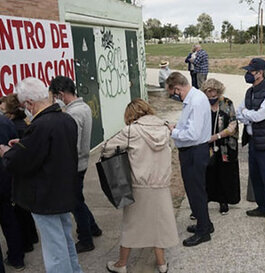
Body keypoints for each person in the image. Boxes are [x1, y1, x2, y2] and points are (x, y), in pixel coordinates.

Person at [0, 77, 82, 273]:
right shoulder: (65, 119)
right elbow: (49, 151)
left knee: (54, 250)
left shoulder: (41, 125)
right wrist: (22, 143)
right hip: (63, 191)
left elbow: (21, 161)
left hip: (45, 197)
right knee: (65, 242)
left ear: (29, 103)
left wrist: (6, 152)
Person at [104, 99, 178, 273]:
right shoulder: (165, 128)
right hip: (162, 186)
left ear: (131, 115)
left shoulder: (131, 131)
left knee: (131, 226)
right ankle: (161, 263)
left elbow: (107, 148)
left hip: (139, 186)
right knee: (158, 225)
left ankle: (121, 264)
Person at [49, 76, 102, 253]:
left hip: (74, 165)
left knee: (75, 203)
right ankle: (93, 227)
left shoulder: (73, 113)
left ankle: (86, 239)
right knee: (78, 199)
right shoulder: (83, 106)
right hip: (82, 161)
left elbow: (73, 144)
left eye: (56, 96)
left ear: (62, 94)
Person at [165, 72, 213, 247]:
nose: (174, 96)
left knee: (195, 192)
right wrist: (179, 126)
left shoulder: (196, 101)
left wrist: (173, 132)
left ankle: (203, 232)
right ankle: (205, 223)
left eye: (173, 93)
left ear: (177, 88)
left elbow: (193, 133)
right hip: (192, 150)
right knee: (196, 189)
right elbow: (191, 125)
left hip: (194, 151)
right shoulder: (193, 99)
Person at [237, 58, 265, 237]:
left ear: (260, 73)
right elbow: (240, 112)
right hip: (254, 141)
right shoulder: (251, 91)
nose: (248, 74)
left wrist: (247, 115)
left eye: (251, 71)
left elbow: (260, 116)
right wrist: (249, 115)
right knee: (256, 178)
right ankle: (262, 208)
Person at [1, 94, 39, 253]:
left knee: (14, 215)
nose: (1, 110)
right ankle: (30, 239)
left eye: (3, 108)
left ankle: (23, 247)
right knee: (19, 212)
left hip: (10, 174)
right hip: (15, 174)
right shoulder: (14, 123)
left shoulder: (14, 125)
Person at [201, 78, 241, 215]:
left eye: (215, 92)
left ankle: (223, 201)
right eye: (209, 91)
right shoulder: (201, 104)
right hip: (206, 146)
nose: (212, 95)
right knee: (206, 174)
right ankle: (203, 201)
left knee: (224, 174)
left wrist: (217, 136)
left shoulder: (227, 103)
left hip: (224, 146)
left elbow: (233, 125)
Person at [0, 113, 25, 271]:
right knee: (10, 220)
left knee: (9, 220)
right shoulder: (6, 121)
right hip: (7, 178)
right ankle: (17, 258)